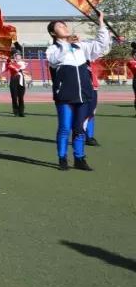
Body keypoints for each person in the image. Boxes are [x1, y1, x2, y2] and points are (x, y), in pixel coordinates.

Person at [46, 13, 110, 171]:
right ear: (53, 33)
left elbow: (101, 45)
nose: (64, 27)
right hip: (65, 96)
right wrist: (67, 43)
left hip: (84, 95)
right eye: (60, 26)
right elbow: (55, 60)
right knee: (65, 127)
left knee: (79, 128)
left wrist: (101, 24)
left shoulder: (81, 46)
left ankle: (79, 158)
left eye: (64, 25)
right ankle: (62, 158)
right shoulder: (52, 49)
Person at [5, 50, 29, 117]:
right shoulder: (10, 63)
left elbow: (22, 66)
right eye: (17, 55)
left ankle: (21, 112)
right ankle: (16, 112)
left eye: (19, 55)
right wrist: (10, 61)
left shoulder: (22, 63)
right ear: (14, 56)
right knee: (14, 97)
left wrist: (18, 65)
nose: (19, 56)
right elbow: (10, 66)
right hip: (14, 80)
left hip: (21, 80)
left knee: (21, 97)